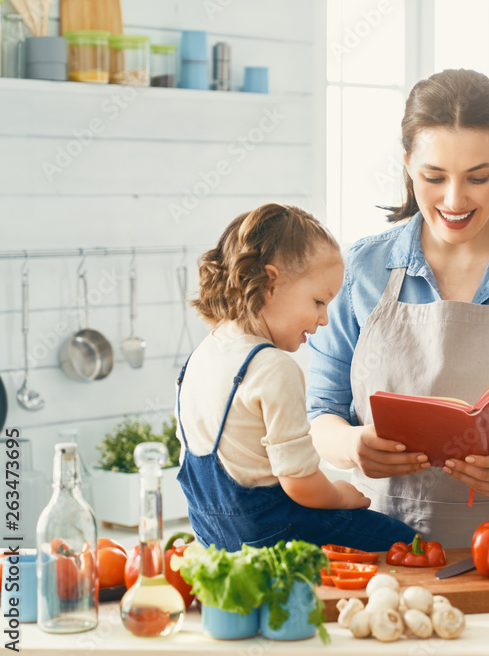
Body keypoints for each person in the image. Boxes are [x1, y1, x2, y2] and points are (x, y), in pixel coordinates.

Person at [306, 69, 489, 550]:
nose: (453, 200)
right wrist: (351, 447)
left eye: (477, 177)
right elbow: (320, 410)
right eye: (433, 176)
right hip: (377, 547)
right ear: (406, 162)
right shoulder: (360, 271)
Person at [175, 203, 416, 552]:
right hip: (276, 535)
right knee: (406, 543)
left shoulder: (203, 354)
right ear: (270, 283)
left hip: (215, 539)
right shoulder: (272, 367)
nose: (324, 320)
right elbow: (299, 484)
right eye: (319, 301)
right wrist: (342, 496)